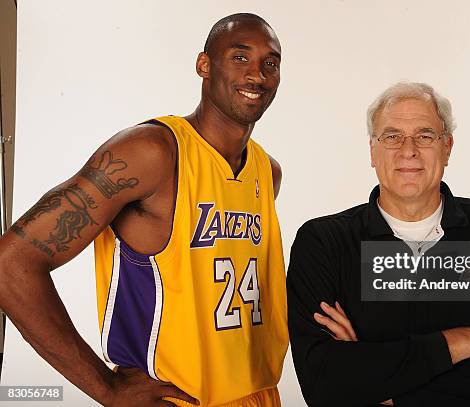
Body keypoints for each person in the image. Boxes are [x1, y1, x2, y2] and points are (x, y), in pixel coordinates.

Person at [0, 13, 288, 407]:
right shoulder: (152, 152)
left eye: (269, 63)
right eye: (240, 57)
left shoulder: (266, 172)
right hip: (175, 397)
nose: (257, 74)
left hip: (260, 394)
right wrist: (106, 388)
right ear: (204, 65)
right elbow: (10, 264)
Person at [287, 82, 470, 406]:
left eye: (425, 135)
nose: (408, 150)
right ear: (372, 151)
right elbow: (324, 385)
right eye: (391, 136)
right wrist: (461, 342)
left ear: (447, 147)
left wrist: (381, 386)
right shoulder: (323, 242)